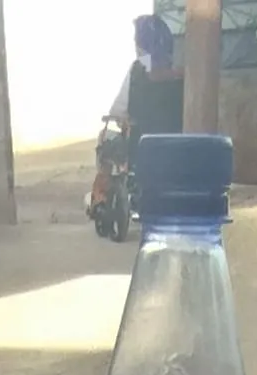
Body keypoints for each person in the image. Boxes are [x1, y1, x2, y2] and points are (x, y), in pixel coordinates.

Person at [88, 15, 185, 239]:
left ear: (141, 44)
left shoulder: (137, 72)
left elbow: (118, 109)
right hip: (175, 147)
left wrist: (121, 118)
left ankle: (100, 200)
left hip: (140, 147)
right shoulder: (182, 75)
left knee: (107, 141)